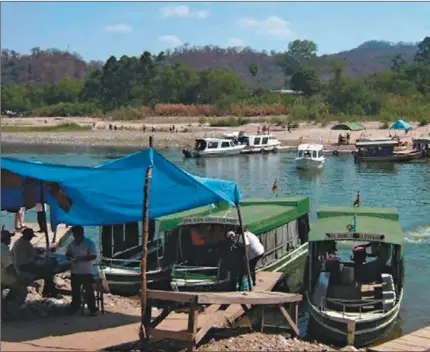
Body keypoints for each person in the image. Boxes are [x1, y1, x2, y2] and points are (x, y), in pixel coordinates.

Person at [12, 228, 59, 298]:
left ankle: (48, 291)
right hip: (25, 266)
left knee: (46, 268)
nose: (31, 238)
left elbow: (31, 251)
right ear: (28, 236)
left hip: (19, 265)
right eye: (31, 236)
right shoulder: (26, 243)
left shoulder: (18, 242)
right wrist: (47, 258)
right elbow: (36, 256)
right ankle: (49, 292)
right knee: (48, 270)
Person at [66, 225, 98, 316]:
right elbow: (68, 254)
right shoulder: (72, 244)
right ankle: (75, 307)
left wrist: (80, 259)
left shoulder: (89, 243)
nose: (75, 236)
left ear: (82, 233)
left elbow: (93, 256)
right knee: (75, 291)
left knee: (89, 291)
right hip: (75, 271)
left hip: (86, 271)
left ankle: (92, 309)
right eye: (74, 235)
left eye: (77, 234)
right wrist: (69, 257)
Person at [1, 229, 28, 319]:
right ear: (5, 239)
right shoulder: (4, 251)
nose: (10, 239)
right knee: (22, 290)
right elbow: (9, 267)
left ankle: (5, 306)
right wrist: (18, 278)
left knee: (14, 290)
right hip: (4, 277)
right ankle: (12, 311)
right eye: (9, 238)